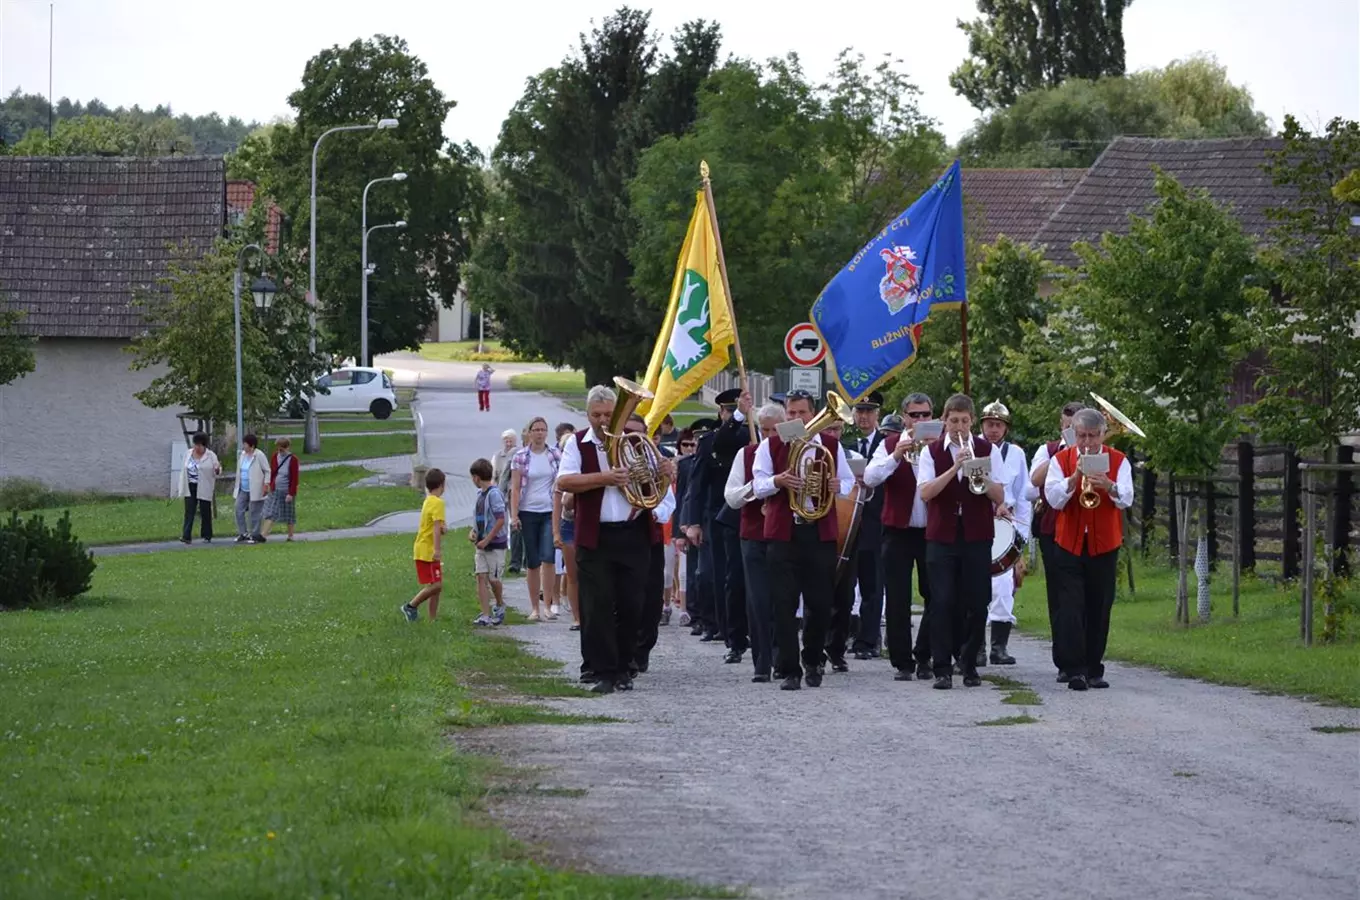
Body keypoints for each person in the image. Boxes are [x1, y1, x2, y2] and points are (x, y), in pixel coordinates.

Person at [556, 384, 676, 694]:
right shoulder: (577, 444)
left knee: (631, 605)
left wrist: (665, 469)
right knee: (597, 605)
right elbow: (565, 480)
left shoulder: (636, 443)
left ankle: (625, 667)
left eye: (609, 414)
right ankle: (603, 671)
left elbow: (656, 484)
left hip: (634, 533)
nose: (603, 420)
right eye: (596, 415)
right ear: (587, 415)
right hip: (594, 535)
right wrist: (604, 478)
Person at [752, 389, 854, 691]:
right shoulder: (770, 446)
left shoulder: (831, 446)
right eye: (792, 413)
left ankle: (812, 660)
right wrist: (778, 481)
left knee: (820, 604)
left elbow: (850, 484)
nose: (797, 418)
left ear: (814, 413)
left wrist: (838, 484)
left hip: (819, 533)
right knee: (783, 604)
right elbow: (757, 486)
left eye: (803, 413)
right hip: (784, 534)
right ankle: (789, 668)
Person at [917, 394, 1006, 689]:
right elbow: (926, 493)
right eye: (953, 421)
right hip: (941, 536)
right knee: (942, 602)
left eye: (964, 421)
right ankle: (941, 667)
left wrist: (979, 475)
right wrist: (955, 469)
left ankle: (968, 664)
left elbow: (999, 496)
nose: (959, 427)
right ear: (945, 421)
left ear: (972, 422)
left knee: (978, 603)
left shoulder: (986, 449)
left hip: (976, 535)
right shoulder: (931, 452)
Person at [1044, 406, 1134, 691]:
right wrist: (1074, 479)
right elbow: (1054, 499)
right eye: (1081, 436)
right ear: (1074, 434)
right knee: (1071, 608)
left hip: (1104, 544)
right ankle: (1074, 669)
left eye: (1092, 437)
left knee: (1099, 606)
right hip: (1068, 543)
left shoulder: (1119, 461)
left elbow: (1127, 498)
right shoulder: (1062, 460)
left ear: (1102, 435)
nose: (1086, 443)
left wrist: (1108, 485)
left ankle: (1095, 668)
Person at [688, 388, 755, 663]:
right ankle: (731, 636)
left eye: (736, 410)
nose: (731, 415)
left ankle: (760, 633)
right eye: (728, 410)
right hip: (721, 516)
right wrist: (691, 522)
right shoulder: (713, 440)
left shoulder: (757, 435)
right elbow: (697, 485)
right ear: (721, 413)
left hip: (757, 513)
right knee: (725, 578)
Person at [724, 403, 782, 682]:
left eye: (775, 430)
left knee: (783, 598)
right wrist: (757, 488)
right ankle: (762, 661)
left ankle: (782, 655)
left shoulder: (794, 454)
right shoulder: (746, 454)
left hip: (785, 536)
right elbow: (732, 497)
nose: (770, 435)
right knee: (758, 599)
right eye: (764, 430)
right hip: (753, 535)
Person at [1028, 400, 1085, 680]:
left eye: (1076, 428)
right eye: (1066, 427)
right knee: (1060, 596)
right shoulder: (1048, 449)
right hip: (1054, 528)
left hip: (1087, 526)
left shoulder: (1096, 449)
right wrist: (1063, 452)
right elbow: (1033, 481)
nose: (1070, 432)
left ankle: (1085, 656)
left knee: (1087, 596)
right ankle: (1064, 659)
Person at [979, 400, 1031, 666]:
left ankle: (998, 646)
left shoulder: (1017, 455)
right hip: (979, 518)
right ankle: (975, 645)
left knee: (1002, 585)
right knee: (975, 586)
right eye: (989, 424)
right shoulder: (973, 449)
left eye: (998, 425)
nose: (993, 430)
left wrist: (1022, 537)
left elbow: (1023, 495)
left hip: (1007, 523)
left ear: (1006, 429)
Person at [842, 390, 888, 662]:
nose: (864, 417)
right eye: (860, 411)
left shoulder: (885, 443)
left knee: (872, 584)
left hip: (873, 520)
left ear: (877, 414)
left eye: (869, 411)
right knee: (845, 583)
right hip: (847, 517)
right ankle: (844, 633)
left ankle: (868, 639)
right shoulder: (845, 442)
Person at [510, 417, 562, 621]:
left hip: (549, 510)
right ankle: (534, 608)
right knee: (532, 561)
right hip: (528, 511)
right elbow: (514, 488)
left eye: (543, 430)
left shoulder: (555, 454)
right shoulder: (520, 456)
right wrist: (514, 515)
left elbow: (560, 483)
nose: (540, 433)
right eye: (536, 429)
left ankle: (547, 605)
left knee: (548, 557)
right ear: (529, 433)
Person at [677, 419, 717, 638]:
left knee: (711, 575)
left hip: (712, 521)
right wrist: (682, 528)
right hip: (695, 523)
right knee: (696, 575)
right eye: (690, 444)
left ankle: (714, 620)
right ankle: (699, 618)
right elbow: (685, 496)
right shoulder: (686, 464)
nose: (694, 447)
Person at [402, 468, 447, 622]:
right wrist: (437, 549)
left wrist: (442, 527)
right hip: (428, 551)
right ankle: (411, 606)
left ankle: (432, 619)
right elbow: (435, 528)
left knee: (435, 585)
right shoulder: (438, 503)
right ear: (442, 485)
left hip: (421, 548)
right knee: (437, 586)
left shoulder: (428, 500)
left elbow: (436, 525)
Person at [468, 458, 507, 627]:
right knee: (480, 576)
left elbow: (500, 519)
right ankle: (485, 614)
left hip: (494, 544)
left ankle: (499, 604)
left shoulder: (494, 494)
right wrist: (474, 532)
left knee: (494, 579)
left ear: (477, 477)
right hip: (481, 544)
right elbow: (479, 518)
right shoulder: (480, 495)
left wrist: (487, 539)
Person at [552, 431, 582, 633]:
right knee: (572, 574)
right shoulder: (561, 478)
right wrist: (555, 532)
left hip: (587, 523)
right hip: (569, 524)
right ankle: (577, 617)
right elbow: (557, 505)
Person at [178, 432, 221, 544]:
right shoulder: (188, 454)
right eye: (195, 444)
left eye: (199, 445)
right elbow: (184, 469)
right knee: (189, 511)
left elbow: (218, 470)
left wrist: (217, 470)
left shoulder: (210, 455)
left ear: (204, 445)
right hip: (190, 485)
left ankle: (207, 535)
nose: (197, 447)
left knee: (205, 510)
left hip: (204, 486)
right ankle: (186, 535)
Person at [260, 437, 300, 542]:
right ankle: (263, 535)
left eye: (281, 449)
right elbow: (272, 472)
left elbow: (295, 478)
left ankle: (290, 535)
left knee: (289, 513)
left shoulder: (293, 459)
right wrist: (268, 484)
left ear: (287, 447)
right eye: (278, 449)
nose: (279, 451)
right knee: (271, 511)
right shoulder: (274, 457)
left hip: (286, 490)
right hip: (275, 489)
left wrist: (291, 493)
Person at [233, 434, 270, 545]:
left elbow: (267, 470)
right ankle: (243, 533)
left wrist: (266, 484)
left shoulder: (259, 455)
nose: (243, 446)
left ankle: (255, 535)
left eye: (245, 444)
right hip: (243, 488)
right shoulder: (243, 455)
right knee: (238, 509)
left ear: (252, 445)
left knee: (255, 512)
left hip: (256, 488)